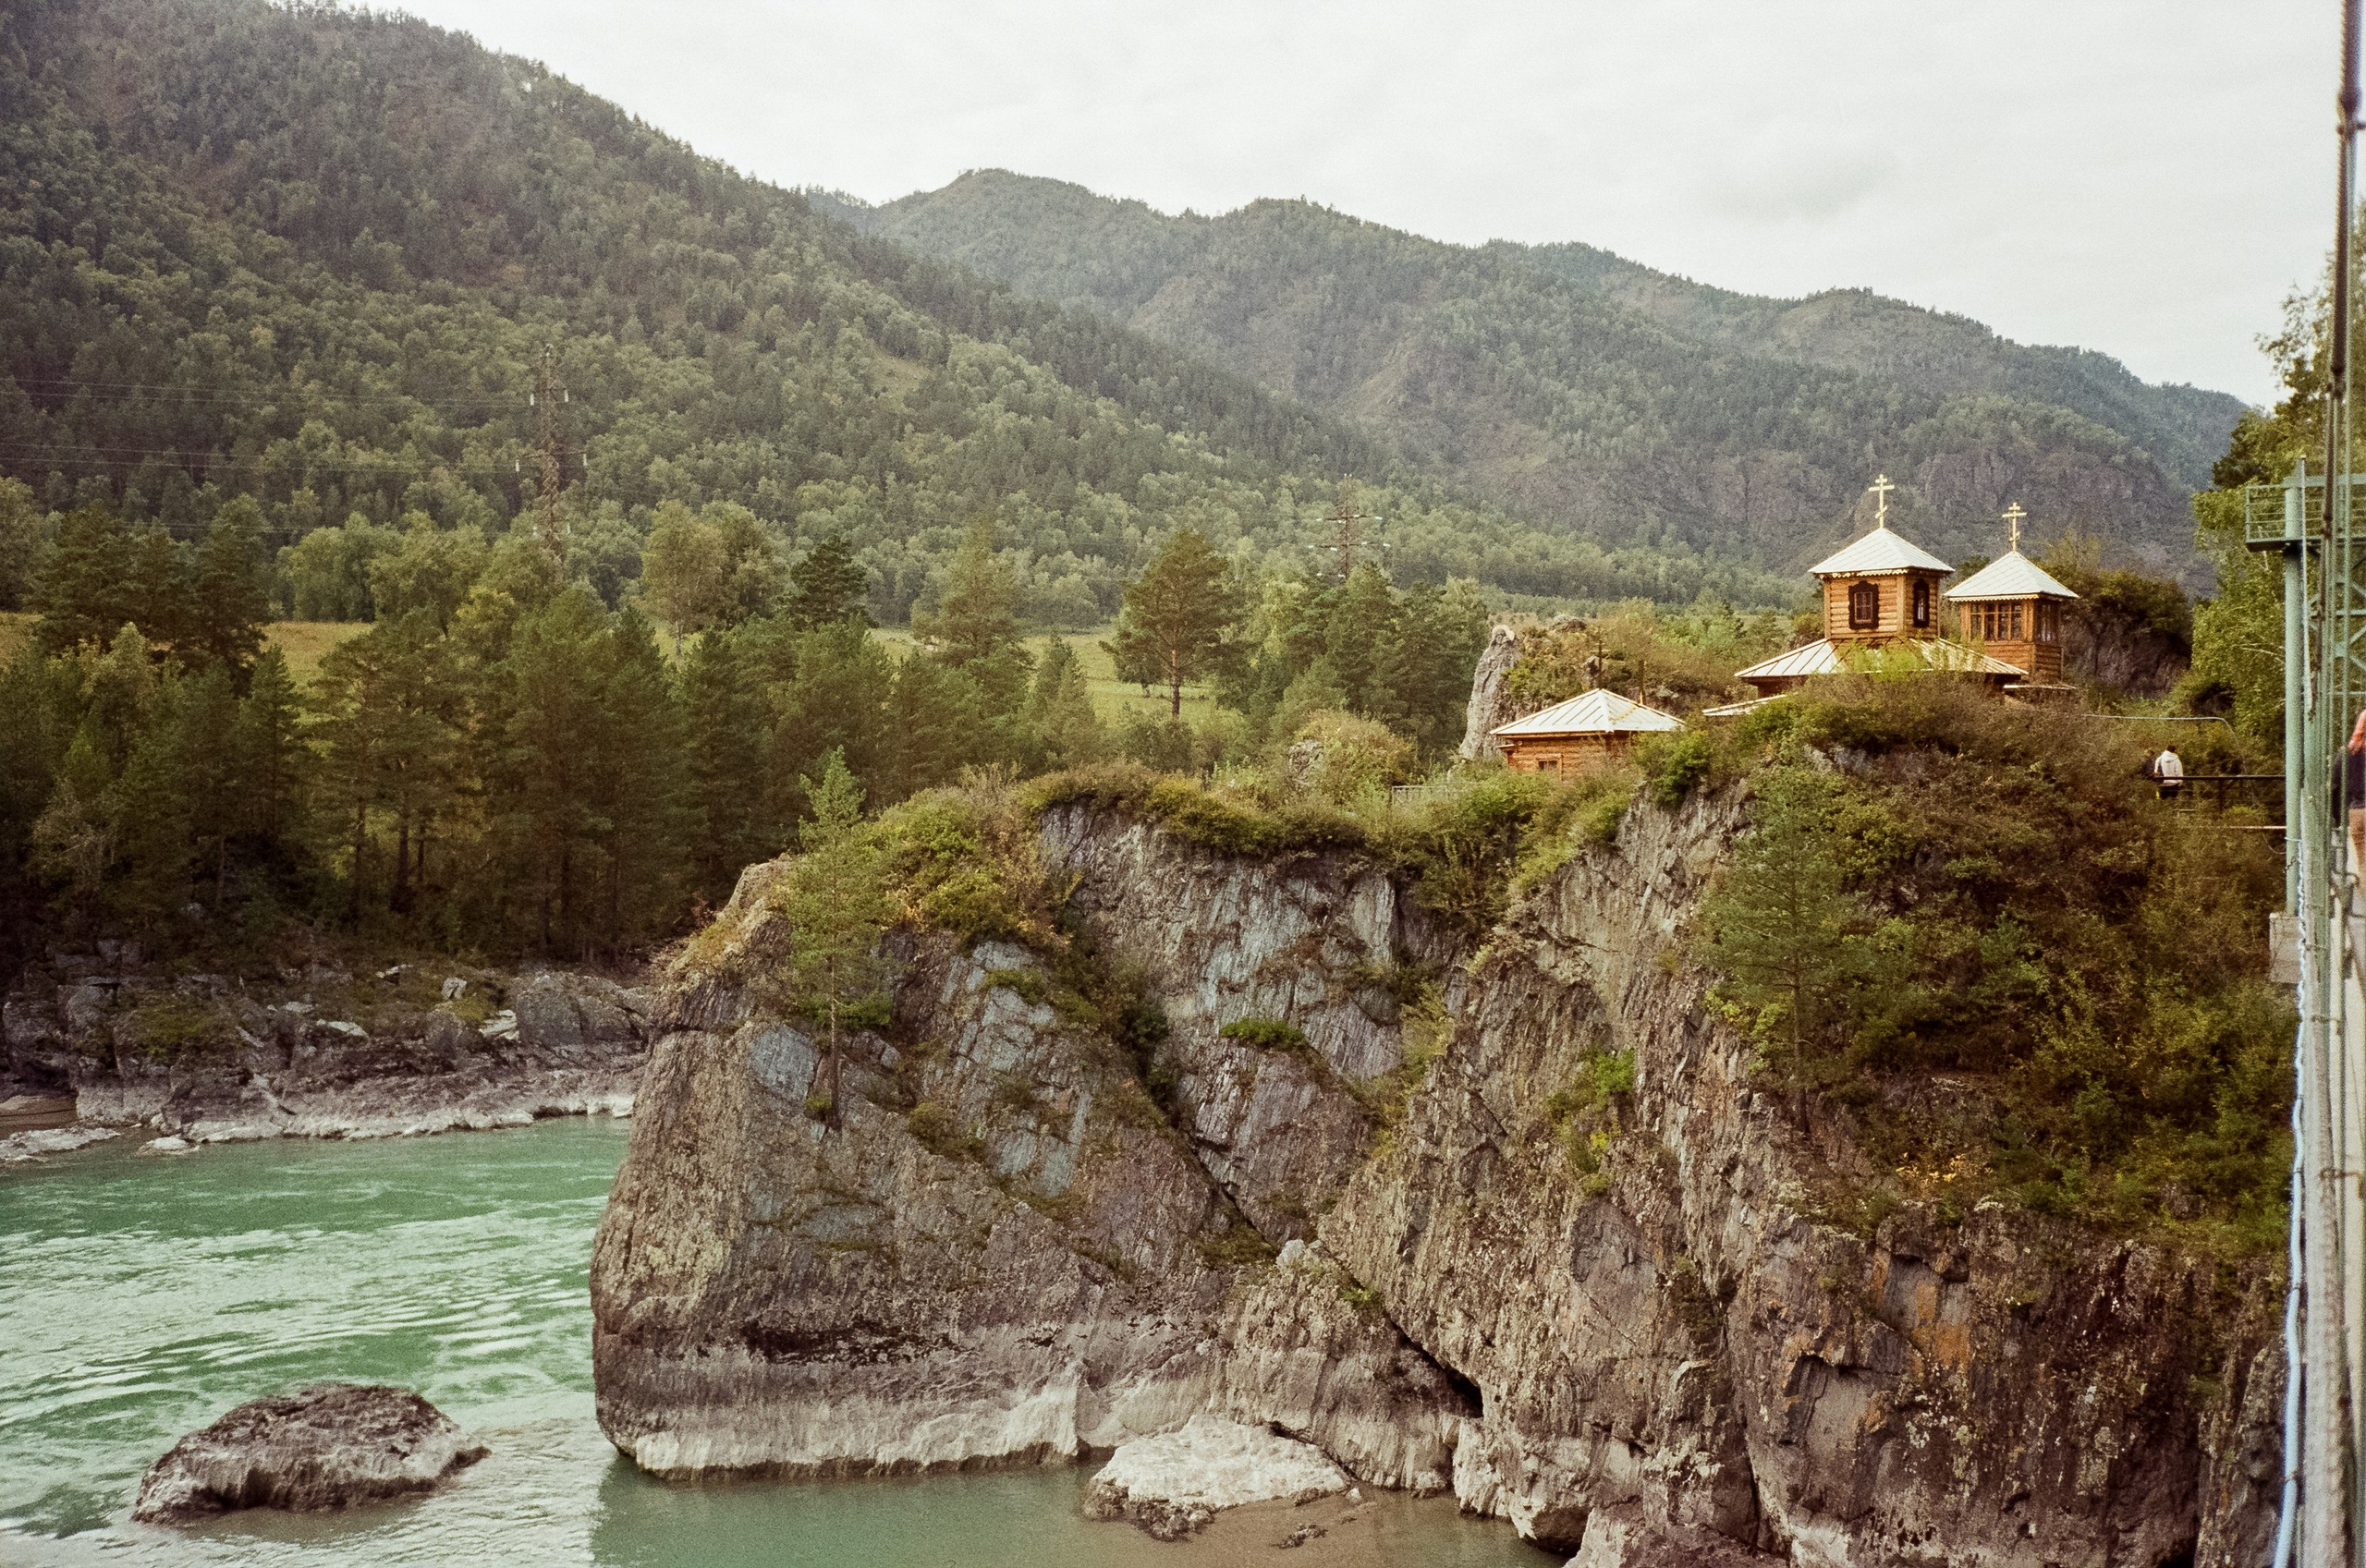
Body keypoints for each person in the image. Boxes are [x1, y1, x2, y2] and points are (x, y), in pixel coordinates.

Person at [2345, 711, 2366, 870]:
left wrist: (2338, 817)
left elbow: (2335, 783)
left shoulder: (2351, 752)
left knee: (2363, 863)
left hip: (2357, 811)